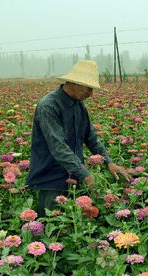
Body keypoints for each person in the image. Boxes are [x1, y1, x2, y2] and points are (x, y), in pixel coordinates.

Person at [27, 60, 132, 217]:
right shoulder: (49, 106)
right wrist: (87, 176)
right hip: (52, 179)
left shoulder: (79, 105)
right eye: (88, 87)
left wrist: (108, 162)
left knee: (74, 225)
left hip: (75, 176)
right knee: (52, 226)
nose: (91, 93)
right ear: (74, 82)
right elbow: (58, 147)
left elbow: (91, 138)